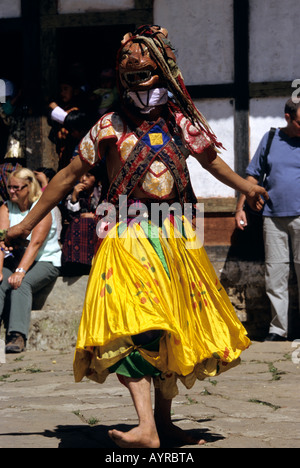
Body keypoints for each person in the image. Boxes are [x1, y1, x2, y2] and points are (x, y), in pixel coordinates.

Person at [2, 26, 268, 447]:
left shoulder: (182, 122)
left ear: (164, 73)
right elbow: (66, 177)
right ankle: (145, 425)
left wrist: (246, 186)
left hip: (177, 237)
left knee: (170, 329)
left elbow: (213, 163)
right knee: (134, 323)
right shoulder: (108, 126)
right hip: (125, 234)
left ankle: (162, 424)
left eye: (147, 74)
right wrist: (23, 223)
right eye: (132, 75)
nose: (140, 83)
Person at [235, 98, 300, 342]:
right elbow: (252, 177)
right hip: (272, 218)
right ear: (287, 117)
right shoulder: (271, 138)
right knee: (275, 276)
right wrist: (240, 207)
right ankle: (278, 330)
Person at [0, 168, 61, 353]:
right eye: (9, 187)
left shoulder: (42, 208)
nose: (12, 191)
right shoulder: (5, 207)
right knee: (1, 282)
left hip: (46, 260)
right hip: (16, 259)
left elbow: (36, 243)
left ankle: (17, 335)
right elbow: (1, 240)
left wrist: (20, 271)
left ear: (29, 186)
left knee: (21, 283)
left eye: (17, 188)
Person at [61, 165, 101, 275]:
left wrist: (94, 216)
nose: (83, 179)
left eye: (88, 176)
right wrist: (74, 196)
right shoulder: (75, 192)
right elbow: (71, 216)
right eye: (82, 176)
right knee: (77, 223)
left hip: (98, 227)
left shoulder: (102, 193)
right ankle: (75, 260)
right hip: (79, 229)